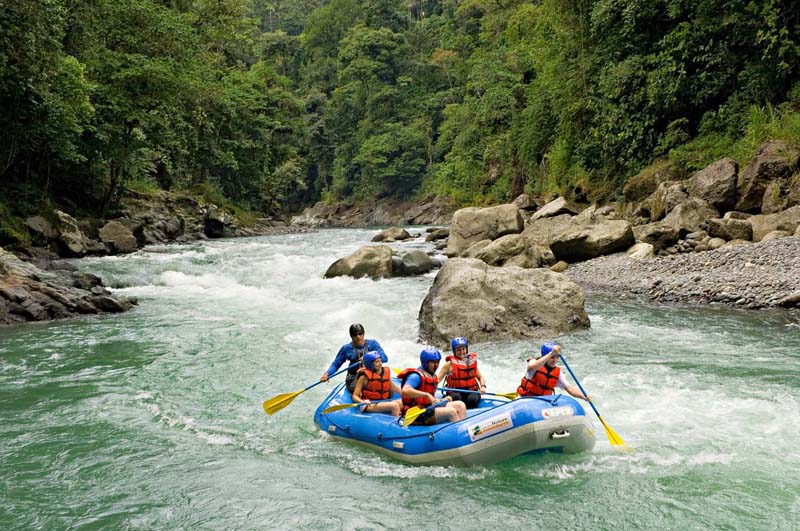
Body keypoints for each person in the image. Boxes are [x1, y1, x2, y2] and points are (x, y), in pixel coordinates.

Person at [399, 347, 467, 425]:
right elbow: (405, 390)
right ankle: (459, 433)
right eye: (433, 362)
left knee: (460, 405)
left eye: (437, 362)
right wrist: (426, 395)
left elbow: (430, 397)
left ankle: (464, 429)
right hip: (417, 414)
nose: (436, 365)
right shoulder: (415, 376)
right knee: (451, 412)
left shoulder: (431, 375)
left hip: (429, 407)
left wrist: (438, 400)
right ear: (425, 363)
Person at [321, 323, 387, 393]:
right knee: (358, 391)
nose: (358, 336)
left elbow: (385, 358)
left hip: (373, 374)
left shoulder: (373, 344)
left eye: (360, 334)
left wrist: (368, 358)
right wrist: (327, 374)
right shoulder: (346, 348)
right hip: (354, 377)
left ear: (363, 334)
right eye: (355, 335)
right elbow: (336, 364)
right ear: (351, 336)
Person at [517, 342, 592, 401]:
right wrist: (551, 353)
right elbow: (532, 367)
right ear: (545, 356)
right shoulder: (533, 362)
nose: (555, 360)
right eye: (552, 357)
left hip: (542, 402)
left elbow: (569, 388)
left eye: (557, 357)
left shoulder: (558, 373)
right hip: (526, 399)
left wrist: (583, 396)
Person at [437, 336, 486, 409]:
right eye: (458, 350)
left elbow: (480, 377)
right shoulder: (449, 364)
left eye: (463, 349)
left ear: (466, 349)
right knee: (457, 398)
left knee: (473, 399)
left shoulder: (470, 362)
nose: (462, 352)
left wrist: (483, 387)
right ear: (454, 351)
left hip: (470, 391)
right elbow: (437, 380)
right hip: (455, 392)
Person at [352, 351, 402, 416]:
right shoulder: (364, 377)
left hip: (384, 401)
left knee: (405, 401)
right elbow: (355, 396)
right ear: (370, 364)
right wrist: (362, 402)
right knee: (394, 406)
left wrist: (404, 394)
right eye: (377, 362)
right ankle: (397, 423)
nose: (380, 363)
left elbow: (392, 387)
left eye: (380, 361)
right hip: (370, 404)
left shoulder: (385, 372)